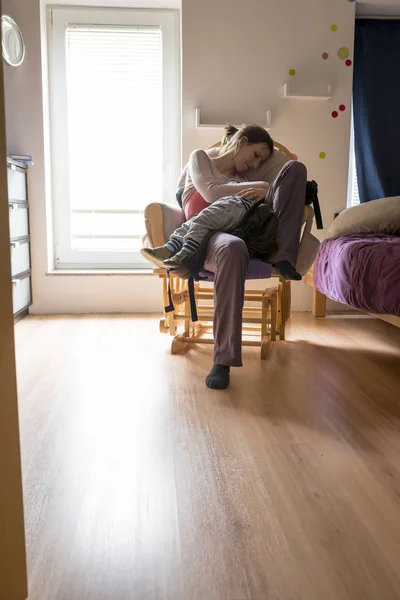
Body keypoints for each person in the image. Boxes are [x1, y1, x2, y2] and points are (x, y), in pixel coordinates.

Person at [148, 124, 307, 390]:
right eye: (256, 154)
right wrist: (265, 186)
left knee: (296, 169)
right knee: (232, 248)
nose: (254, 163)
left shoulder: (241, 182)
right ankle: (223, 360)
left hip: (250, 234)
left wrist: (263, 192)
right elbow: (210, 192)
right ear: (241, 142)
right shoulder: (201, 159)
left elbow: (258, 208)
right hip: (209, 237)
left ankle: (283, 256)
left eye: (261, 161)